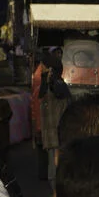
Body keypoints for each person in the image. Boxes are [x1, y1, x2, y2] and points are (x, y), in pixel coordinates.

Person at [38, 52, 71, 184]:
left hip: (57, 134)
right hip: (51, 135)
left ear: (50, 69)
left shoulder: (58, 85)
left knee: (56, 167)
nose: (41, 68)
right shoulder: (48, 84)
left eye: (43, 66)